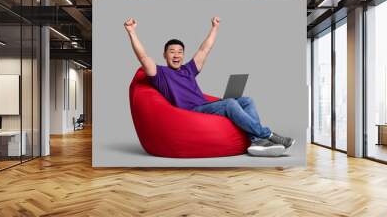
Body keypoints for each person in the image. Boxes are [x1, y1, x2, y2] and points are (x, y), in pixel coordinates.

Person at [123, 17, 295, 157]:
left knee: (247, 100)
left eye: (180, 51)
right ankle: (267, 135)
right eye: (172, 51)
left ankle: (256, 141)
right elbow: (144, 57)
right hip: (191, 111)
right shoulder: (160, 74)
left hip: (205, 106)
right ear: (164, 55)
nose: (176, 55)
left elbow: (204, 49)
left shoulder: (188, 69)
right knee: (229, 104)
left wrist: (215, 27)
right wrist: (132, 32)